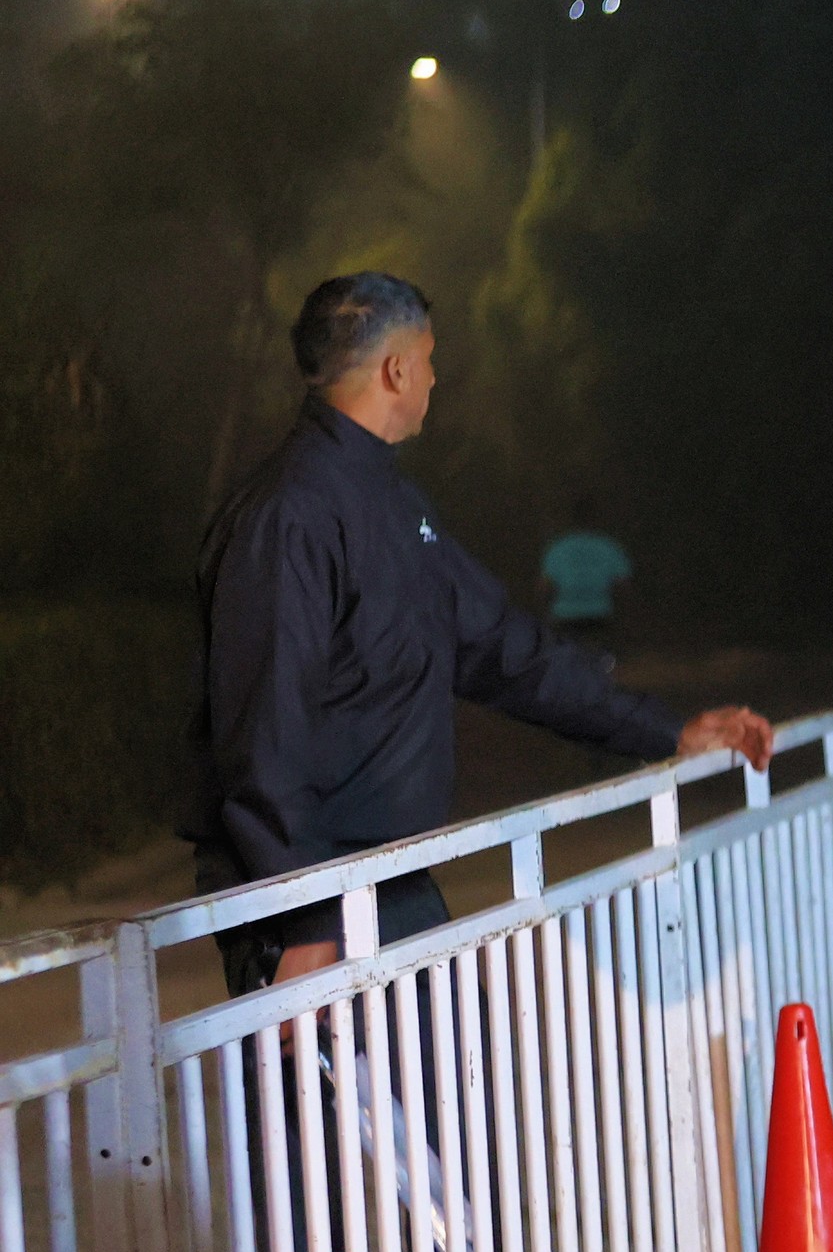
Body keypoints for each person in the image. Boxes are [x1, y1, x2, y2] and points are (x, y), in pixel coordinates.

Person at [188, 272, 773, 998]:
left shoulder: (395, 506)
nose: (435, 378)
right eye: (429, 359)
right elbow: (265, 730)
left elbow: (508, 651)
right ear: (396, 370)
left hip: (389, 887)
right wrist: (307, 921)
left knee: (449, 1072)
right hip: (317, 911)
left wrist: (668, 730)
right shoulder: (289, 516)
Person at [536, 504, 636, 649]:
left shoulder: (558, 548)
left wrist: (543, 613)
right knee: (600, 651)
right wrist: (626, 616)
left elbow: (544, 586)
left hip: (565, 615)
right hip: (600, 614)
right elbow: (623, 585)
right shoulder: (609, 547)